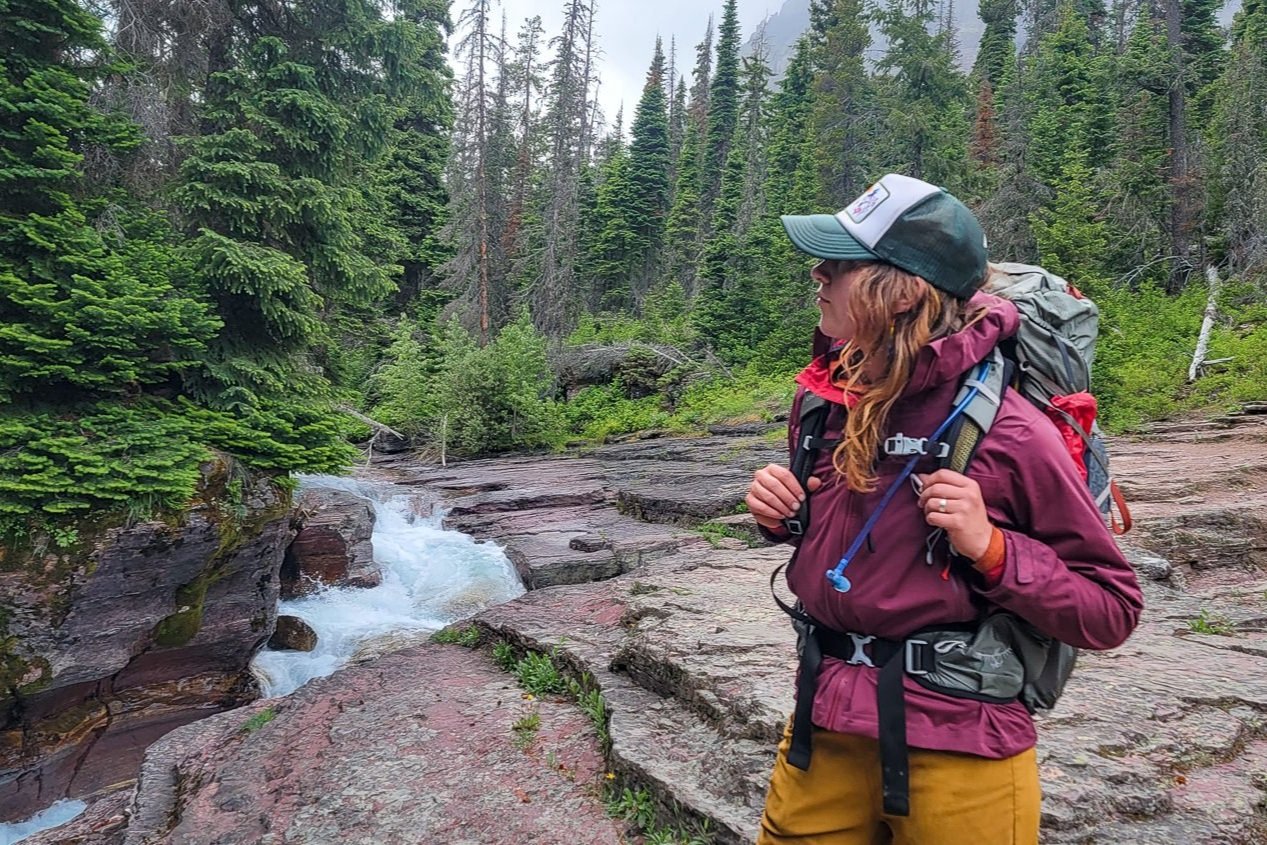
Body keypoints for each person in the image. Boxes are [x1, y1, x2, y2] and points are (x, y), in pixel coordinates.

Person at [746, 173, 1143, 845]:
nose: (817, 274)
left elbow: (1110, 608)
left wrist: (991, 547)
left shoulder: (1013, 432)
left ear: (898, 287)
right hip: (822, 726)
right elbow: (849, 549)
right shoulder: (824, 401)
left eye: (838, 263)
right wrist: (784, 517)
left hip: (963, 743)